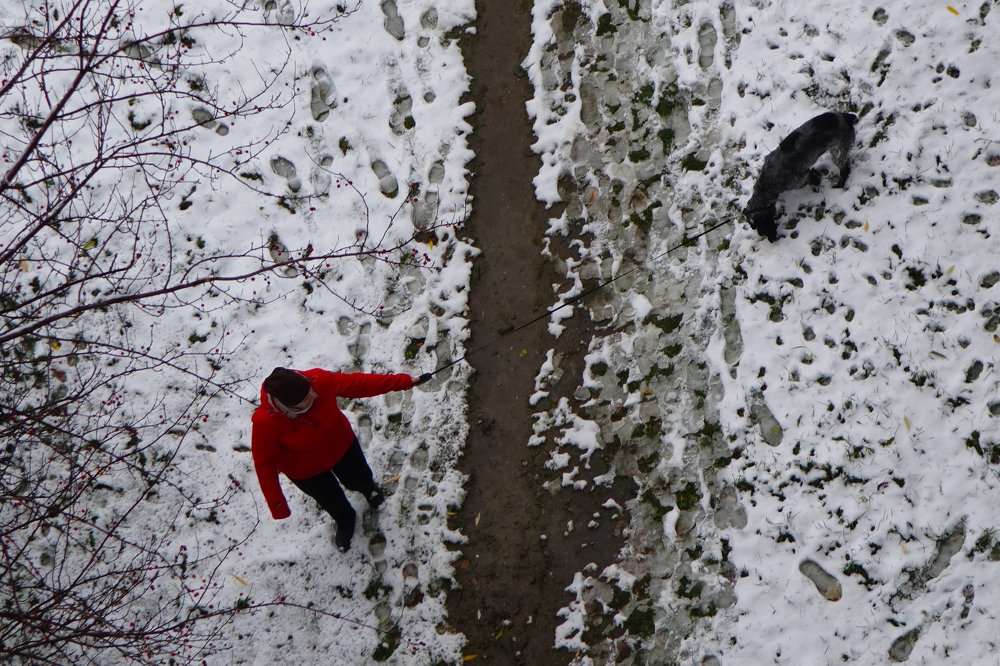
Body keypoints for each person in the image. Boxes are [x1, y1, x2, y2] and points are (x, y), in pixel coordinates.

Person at [251, 366, 430, 552]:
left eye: (310, 390)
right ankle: (345, 520)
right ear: (288, 407)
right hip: (306, 470)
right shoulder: (266, 423)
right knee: (330, 499)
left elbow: (358, 383)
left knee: (359, 476)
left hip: (341, 444)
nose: (314, 395)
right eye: (305, 399)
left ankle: (369, 490)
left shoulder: (318, 380)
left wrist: (402, 382)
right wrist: (277, 504)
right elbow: (264, 463)